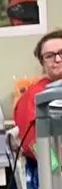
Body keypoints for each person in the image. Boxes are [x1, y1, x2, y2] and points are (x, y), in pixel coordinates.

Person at [13, 30, 62, 159]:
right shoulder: (34, 96)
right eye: (49, 56)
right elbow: (33, 142)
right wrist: (56, 166)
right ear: (42, 62)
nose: (57, 59)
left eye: (61, 53)